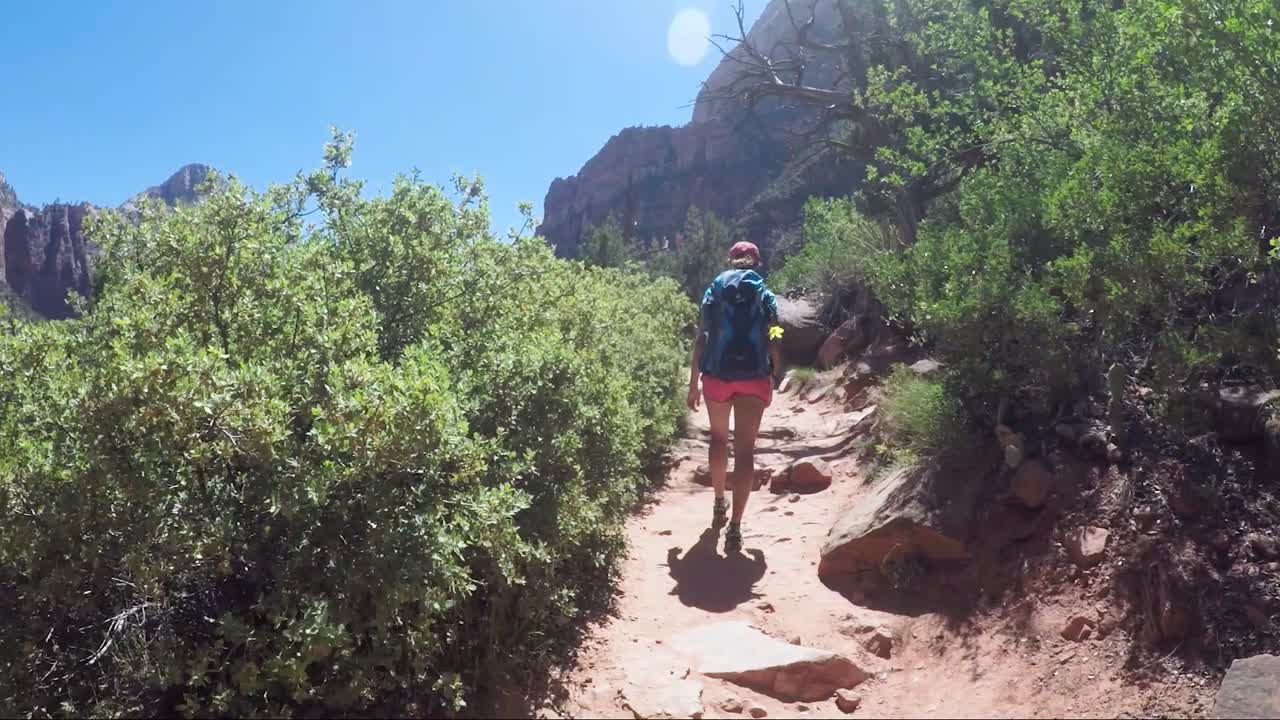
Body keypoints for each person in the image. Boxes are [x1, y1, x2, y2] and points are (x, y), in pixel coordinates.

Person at [686, 241, 784, 553]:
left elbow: (701, 338)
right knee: (744, 452)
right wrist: (774, 370)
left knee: (718, 440)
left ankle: (718, 502)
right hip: (753, 377)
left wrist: (693, 383)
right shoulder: (763, 292)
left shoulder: (714, 289)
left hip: (717, 374)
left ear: (730, 260)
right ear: (756, 262)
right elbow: (775, 335)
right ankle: (736, 528)